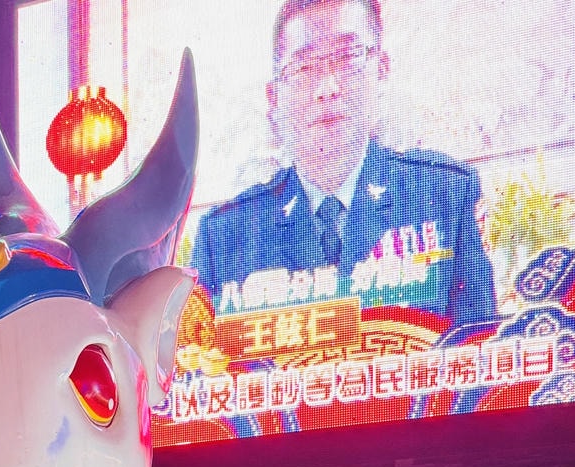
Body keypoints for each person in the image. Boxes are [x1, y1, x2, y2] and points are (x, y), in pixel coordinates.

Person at [192, 0, 497, 329]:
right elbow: (203, 375)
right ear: (274, 98)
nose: (327, 88)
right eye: (304, 68)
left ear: (381, 68)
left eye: (348, 58)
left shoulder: (445, 195)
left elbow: (479, 356)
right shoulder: (224, 238)